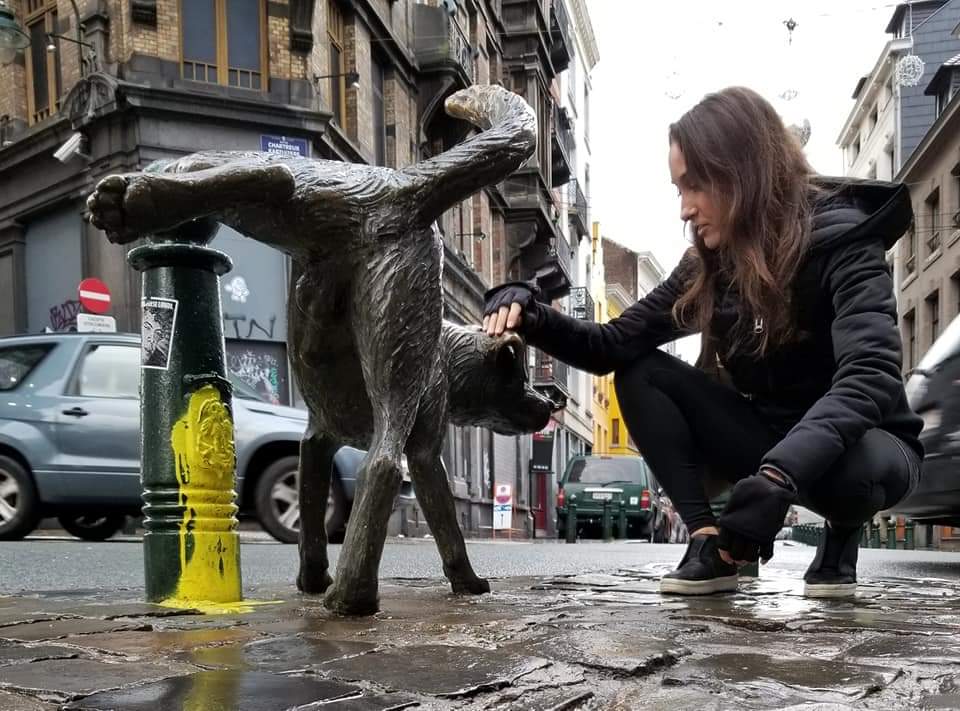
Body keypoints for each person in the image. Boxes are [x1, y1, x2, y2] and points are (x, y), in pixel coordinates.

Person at [482, 86, 923, 598]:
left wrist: (777, 477)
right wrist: (532, 313)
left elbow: (869, 376)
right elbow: (612, 344)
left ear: (741, 172)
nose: (685, 210)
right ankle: (708, 543)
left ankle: (842, 533)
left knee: (853, 476)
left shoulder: (844, 239)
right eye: (679, 190)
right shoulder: (710, 266)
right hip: (770, 434)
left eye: (694, 186)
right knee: (641, 371)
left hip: (871, 444)